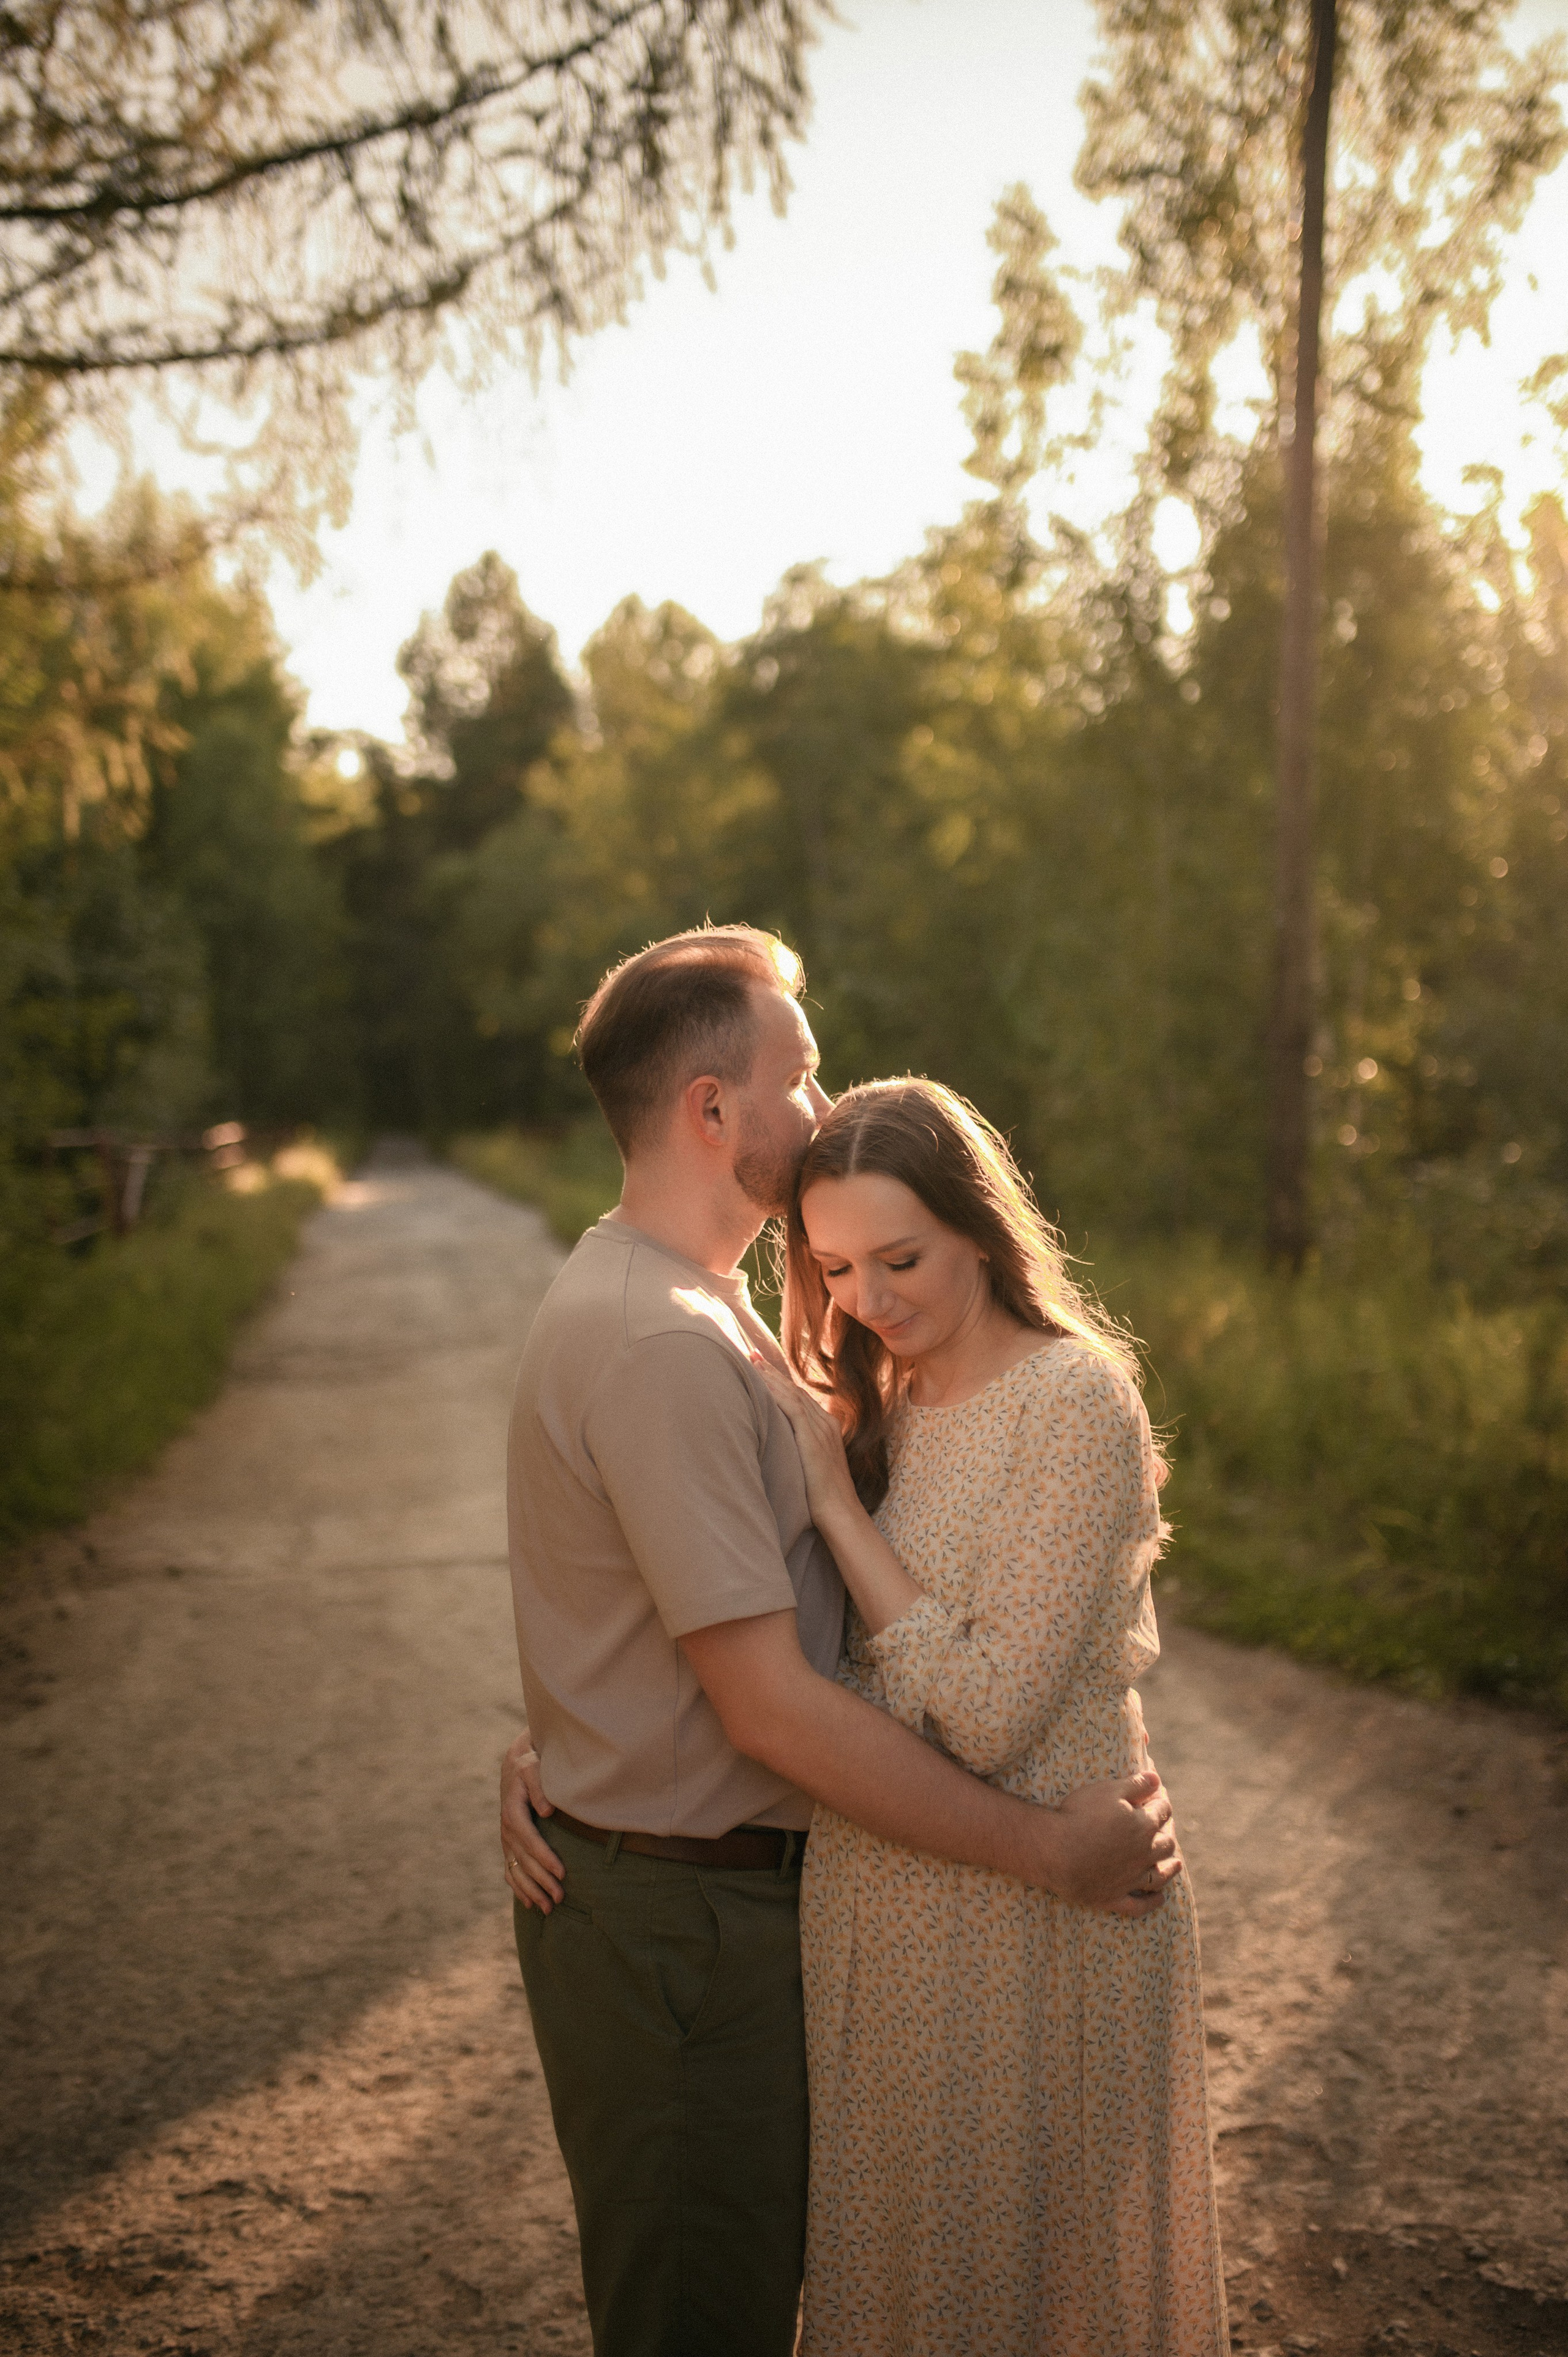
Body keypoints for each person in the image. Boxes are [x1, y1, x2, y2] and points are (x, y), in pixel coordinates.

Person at [499, 924, 1183, 2357]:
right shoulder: (665, 1337)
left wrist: (579, 1729)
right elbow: (767, 1708)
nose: (819, 1105)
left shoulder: (725, 1311)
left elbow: (691, 1603)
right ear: (710, 1109)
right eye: (796, 1075)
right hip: (689, 1921)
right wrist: (1048, 1849)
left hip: (785, 1908)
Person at [755, 1076, 1227, 2357]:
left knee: (1024, 2298)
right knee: (901, 2285)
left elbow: (989, 1713)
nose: (867, 1298)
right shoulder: (881, 1405)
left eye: (899, 1257)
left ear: (977, 1223)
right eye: (838, 1265)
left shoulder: (1073, 1401)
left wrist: (837, 1512)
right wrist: (555, 1743)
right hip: (881, 1912)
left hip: (1040, 1918)